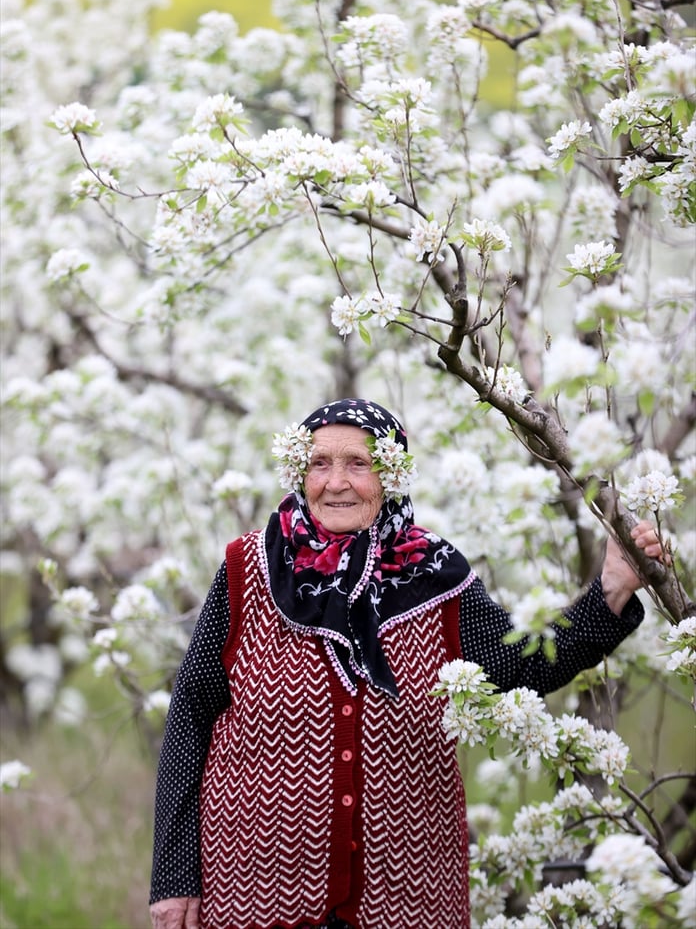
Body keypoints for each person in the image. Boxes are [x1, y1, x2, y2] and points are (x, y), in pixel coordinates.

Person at [149, 397, 662, 929]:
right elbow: (190, 717)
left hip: (405, 897)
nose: (336, 482)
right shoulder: (247, 571)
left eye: (359, 463)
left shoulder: (435, 575)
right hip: (254, 891)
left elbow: (525, 666)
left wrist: (612, 590)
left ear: (391, 474)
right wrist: (173, 877)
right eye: (319, 463)